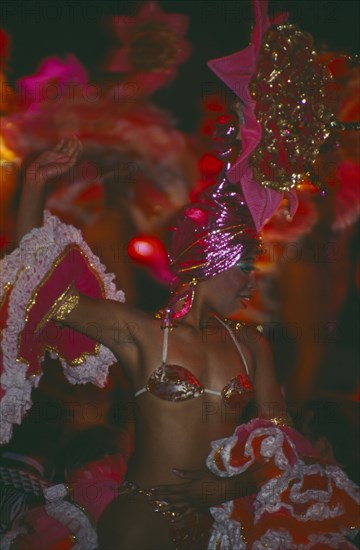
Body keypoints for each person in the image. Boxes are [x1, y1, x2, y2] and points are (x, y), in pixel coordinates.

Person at [2, 137, 358, 550]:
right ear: (209, 261)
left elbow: (284, 450)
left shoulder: (252, 345)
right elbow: (41, 287)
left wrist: (225, 489)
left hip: (215, 525)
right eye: (244, 268)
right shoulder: (144, 335)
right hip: (142, 518)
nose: (251, 284)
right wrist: (33, 185)